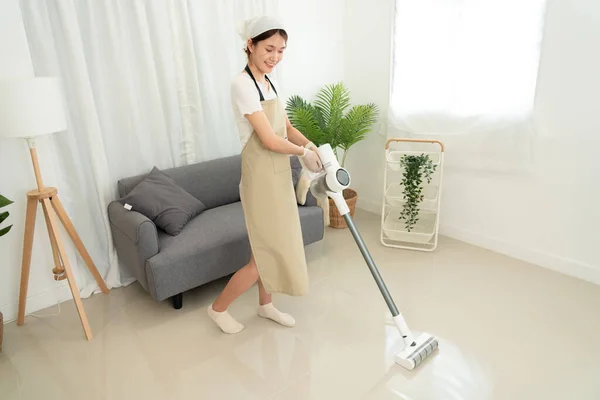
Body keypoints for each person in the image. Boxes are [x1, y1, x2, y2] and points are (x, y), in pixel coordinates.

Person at [207, 16, 323, 334]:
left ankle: (265, 305)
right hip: (260, 178)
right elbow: (268, 139)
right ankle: (217, 309)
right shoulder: (241, 84)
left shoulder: (269, 82)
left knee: (272, 245)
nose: (275, 56)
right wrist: (303, 155)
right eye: (269, 48)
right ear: (250, 45)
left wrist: (312, 146)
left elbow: (285, 128)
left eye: (281, 50)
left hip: (277, 174)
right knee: (262, 253)